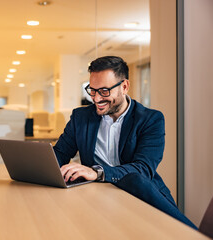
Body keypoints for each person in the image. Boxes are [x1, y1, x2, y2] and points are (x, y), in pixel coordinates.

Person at [53, 56, 197, 229]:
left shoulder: (151, 119)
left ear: (124, 86)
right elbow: (59, 153)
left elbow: (142, 169)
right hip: (96, 198)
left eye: (104, 91)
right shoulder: (80, 118)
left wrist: (97, 172)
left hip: (140, 196)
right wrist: (39, 166)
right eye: (92, 90)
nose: (97, 99)